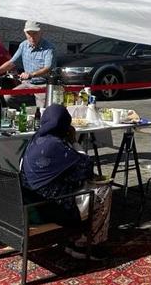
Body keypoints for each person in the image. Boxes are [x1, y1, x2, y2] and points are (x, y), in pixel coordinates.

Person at [21, 105, 111, 260]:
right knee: (103, 190)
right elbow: (86, 168)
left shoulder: (36, 139)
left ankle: (75, 235)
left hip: (27, 202)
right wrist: (74, 142)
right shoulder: (56, 146)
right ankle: (85, 244)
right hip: (45, 209)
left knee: (77, 186)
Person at [0, 20, 54, 108]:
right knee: (8, 97)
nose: (32, 37)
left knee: (42, 111)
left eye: (35, 33)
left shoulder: (49, 48)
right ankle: (23, 116)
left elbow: (48, 68)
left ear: (41, 33)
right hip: (27, 84)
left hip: (43, 85)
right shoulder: (23, 45)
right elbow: (11, 63)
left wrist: (31, 74)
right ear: (25, 32)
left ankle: (37, 113)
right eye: (29, 33)